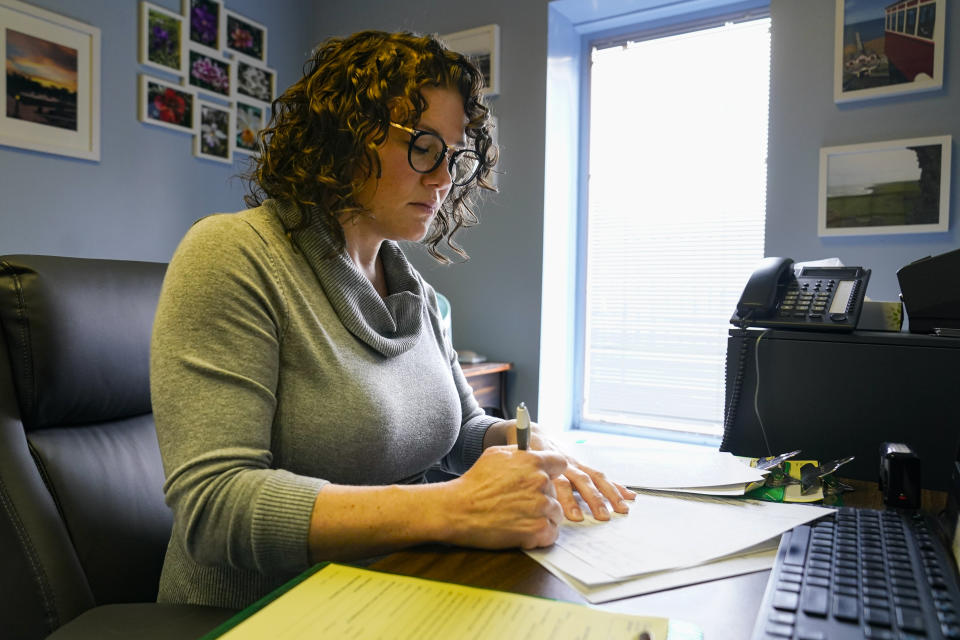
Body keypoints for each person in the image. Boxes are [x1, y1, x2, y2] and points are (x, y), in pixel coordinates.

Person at [151, 30, 635, 610]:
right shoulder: (232, 255)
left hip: (401, 592)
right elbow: (214, 505)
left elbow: (458, 433)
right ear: (344, 136)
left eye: (455, 157)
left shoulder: (418, 294)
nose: (444, 178)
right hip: (260, 613)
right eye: (424, 146)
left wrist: (525, 443)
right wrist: (456, 507)